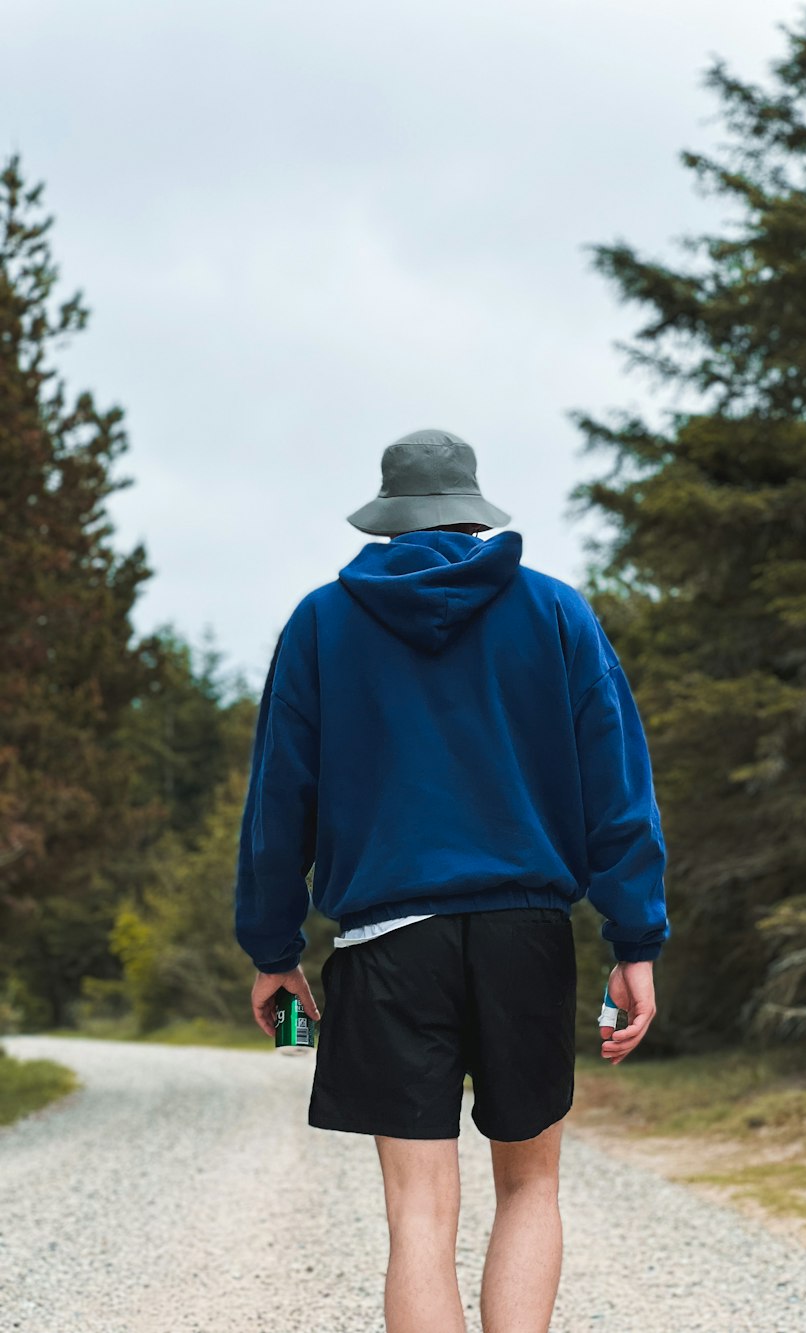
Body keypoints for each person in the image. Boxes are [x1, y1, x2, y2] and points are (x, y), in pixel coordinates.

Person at [233, 426, 669, 1333]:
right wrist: (636, 940)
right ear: (474, 514)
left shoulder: (322, 622)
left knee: (420, 1215)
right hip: (527, 934)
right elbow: (617, 789)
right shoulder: (557, 613)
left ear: (389, 519)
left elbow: (280, 799)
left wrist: (274, 951)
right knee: (530, 1185)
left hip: (387, 942)